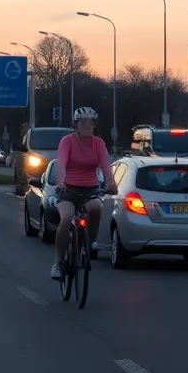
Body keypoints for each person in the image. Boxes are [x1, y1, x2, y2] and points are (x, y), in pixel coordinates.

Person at [50, 106, 113, 280]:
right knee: (66, 217)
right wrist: (60, 182)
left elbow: (106, 166)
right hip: (68, 189)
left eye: (90, 123)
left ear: (94, 125)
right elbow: (61, 163)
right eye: (82, 123)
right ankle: (58, 262)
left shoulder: (98, 143)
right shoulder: (67, 141)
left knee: (96, 209)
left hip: (90, 189)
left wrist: (111, 183)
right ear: (75, 125)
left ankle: (88, 242)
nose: (87, 126)